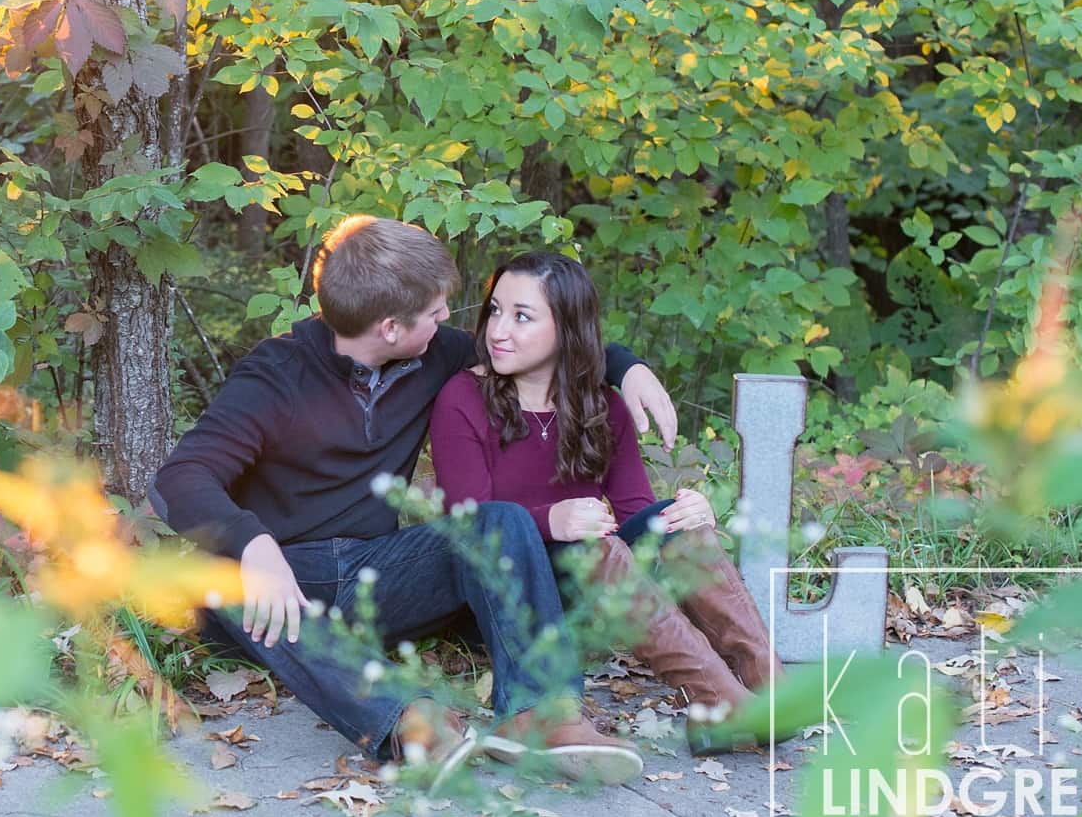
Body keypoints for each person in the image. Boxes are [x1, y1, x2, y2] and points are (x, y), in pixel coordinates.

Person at [154, 217, 679, 783]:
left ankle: (538, 716)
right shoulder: (275, 374)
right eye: (435, 313)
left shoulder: (433, 354)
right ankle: (409, 723)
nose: (448, 323)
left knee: (495, 522)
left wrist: (629, 368)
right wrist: (253, 544)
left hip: (379, 572)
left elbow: (544, 343)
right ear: (389, 328)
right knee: (225, 575)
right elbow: (180, 478)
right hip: (284, 579)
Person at [427, 250, 781, 754]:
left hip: (602, 587)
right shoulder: (463, 399)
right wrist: (553, 519)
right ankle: (722, 700)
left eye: (522, 316)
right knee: (595, 546)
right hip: (509, 601)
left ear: (566, 328)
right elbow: (467, 523)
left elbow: (636, 513)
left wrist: (684, 516)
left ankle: (766, 686)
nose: (498, 330)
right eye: (496, 311)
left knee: (676, 524)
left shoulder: (601, 404)